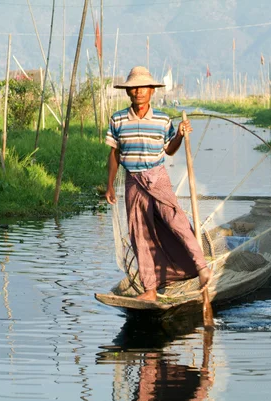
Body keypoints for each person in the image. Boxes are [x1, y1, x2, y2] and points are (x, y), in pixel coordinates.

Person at [105, 66, 211, 301]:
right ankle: (150, 290)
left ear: (152, 91)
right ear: (128, 93)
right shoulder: (118, 119)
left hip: (157, 177)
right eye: (133, 88)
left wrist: (180, 136)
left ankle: (202, 268)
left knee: (177, 222)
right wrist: (110, 185)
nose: (138, 92)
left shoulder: (163, 120)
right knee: (138, 234)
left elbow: (170, 151)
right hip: (133, 180)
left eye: (143, 88)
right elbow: (114, 155)